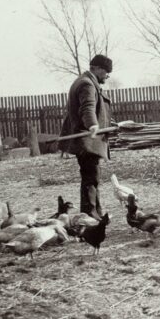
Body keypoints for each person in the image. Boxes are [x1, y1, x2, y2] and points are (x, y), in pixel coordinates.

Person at [59, 54, 114, 220]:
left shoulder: (87, 81)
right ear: (95, 68)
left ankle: (95, 211)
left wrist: (109, 122)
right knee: (90, 178)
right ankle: (89, 214)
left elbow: (97, 109)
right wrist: (92, 125)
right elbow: (87, 108)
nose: (106, 76)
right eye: (105, 72)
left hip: (89, 141)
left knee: (92, 177)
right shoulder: (86, 84)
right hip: (87, 141)